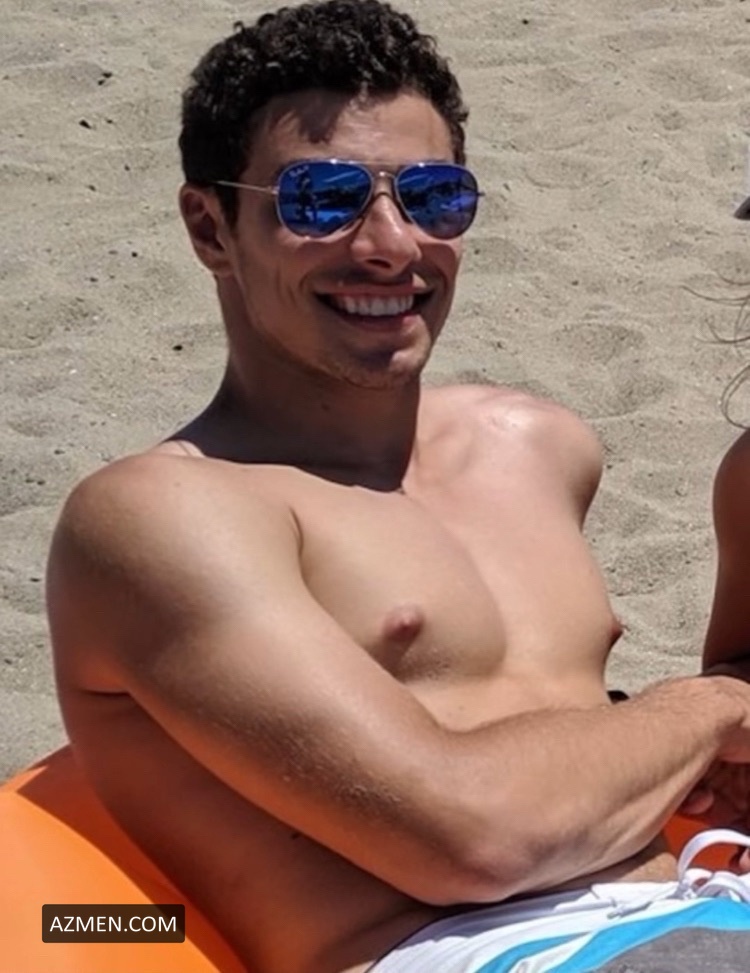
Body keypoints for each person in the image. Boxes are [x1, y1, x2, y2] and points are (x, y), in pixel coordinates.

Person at [46, 2, 750, 971]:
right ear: (211, 227)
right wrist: (706, 709)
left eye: (434, 197)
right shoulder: (162, 516)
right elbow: (474, 839)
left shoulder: (537, 449)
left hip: (695, 906)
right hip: (481, 949)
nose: (390, 243)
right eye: (322, 199)